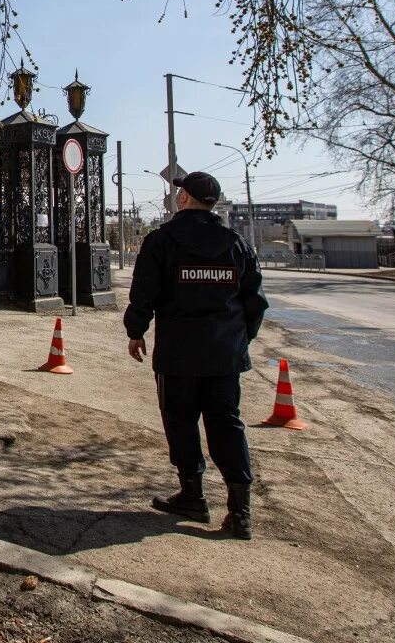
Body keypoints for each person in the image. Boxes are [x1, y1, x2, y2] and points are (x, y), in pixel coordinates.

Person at [123, 171, 268, 540]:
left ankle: (193, 495)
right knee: (227, 424)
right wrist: (240, 339)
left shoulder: (162, 241)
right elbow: (255, 302)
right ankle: (240, 512)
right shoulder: (236, 244)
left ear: (184, 199)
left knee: (180, 420)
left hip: (178, 353)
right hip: (224, 355)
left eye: (179, 194)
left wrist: (136, 331)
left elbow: (144, 291)